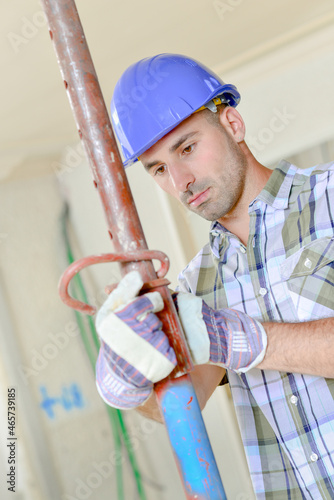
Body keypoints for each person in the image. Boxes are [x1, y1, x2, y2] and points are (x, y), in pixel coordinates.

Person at [95, 54, 334, 498]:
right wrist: (129, 377)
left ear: (233, 124)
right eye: (159, 169)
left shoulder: (329, 200)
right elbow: (182, 399)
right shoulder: (196, 287)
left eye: (186, 149)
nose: (181, 179)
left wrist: (245, 340)